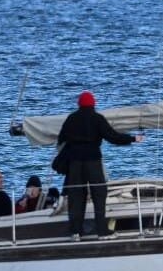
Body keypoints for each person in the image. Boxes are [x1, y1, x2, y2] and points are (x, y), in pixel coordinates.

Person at [57, 90, 145, 240]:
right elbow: (113, 137)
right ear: (93, 104)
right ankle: (102, 231)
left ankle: (75, 232)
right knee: (99, 194)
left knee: (76, 195)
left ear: (79, 104)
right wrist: (132, 139)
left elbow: (61, 139)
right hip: (93, 161)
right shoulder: (97, 118)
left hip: (75, 163)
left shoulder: (71, 119)